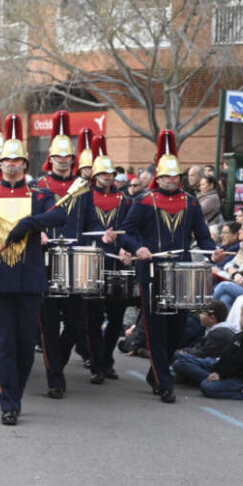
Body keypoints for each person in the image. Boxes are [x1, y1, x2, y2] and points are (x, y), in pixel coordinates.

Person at [0, 118, 68, 425]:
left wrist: (32, 223)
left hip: (29, 281)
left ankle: (16, 391)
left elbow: (61, 214)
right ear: (0, 164)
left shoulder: (39, 195)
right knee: (4, 344)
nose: (11, 164)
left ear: (25, 163)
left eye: (16, 160)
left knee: (25, 346)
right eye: (6, 159)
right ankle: (8, 403)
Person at [117, 130, 216, 403]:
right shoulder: (144, 202)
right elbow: (126, 233)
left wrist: (212, 252)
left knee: (177, 330)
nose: (172, 181)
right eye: (167, 177)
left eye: (176, 177)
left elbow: (203, 235)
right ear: (158, 178)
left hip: (182, 272)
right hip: (151, 273)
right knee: (156, 329)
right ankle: (164, 382)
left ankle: (156, 372)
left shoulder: (191, 202)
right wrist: (138, 248)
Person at [34, 112, 100, 399]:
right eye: (59, 158)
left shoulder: (84, 188)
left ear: (74, 160)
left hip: (76, 264)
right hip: (46, 262)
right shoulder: (38, 186)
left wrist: (103, 234)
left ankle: (57, 362)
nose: (64, 162)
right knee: (48, 325)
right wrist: (38, 232)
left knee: (76, 324)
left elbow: (91, 223)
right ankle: (54, 379)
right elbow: (28, 219)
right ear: (51, 158)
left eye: (68, 158)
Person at [83, 138, 131, 383]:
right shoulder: (85, 198)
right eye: (103, 174)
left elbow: (129, 229)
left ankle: (107, 358)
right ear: (95, 176)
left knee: (116, 316)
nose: (108, 178)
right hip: (92, 263)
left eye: (110, 174)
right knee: (92, 317)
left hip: (116, 264)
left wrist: (126, 249)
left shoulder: (125, 200)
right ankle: (96, 362)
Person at [172, 303, 243, 400]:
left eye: (242, 316)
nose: (240, 319)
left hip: (238, 377)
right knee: (180, 361)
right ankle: (210, 377)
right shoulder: (242, 335)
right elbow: (227, 356)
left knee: (207, 387)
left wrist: (220, 375)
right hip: (220, 365)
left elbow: (238, 363)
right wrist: (218, 370)